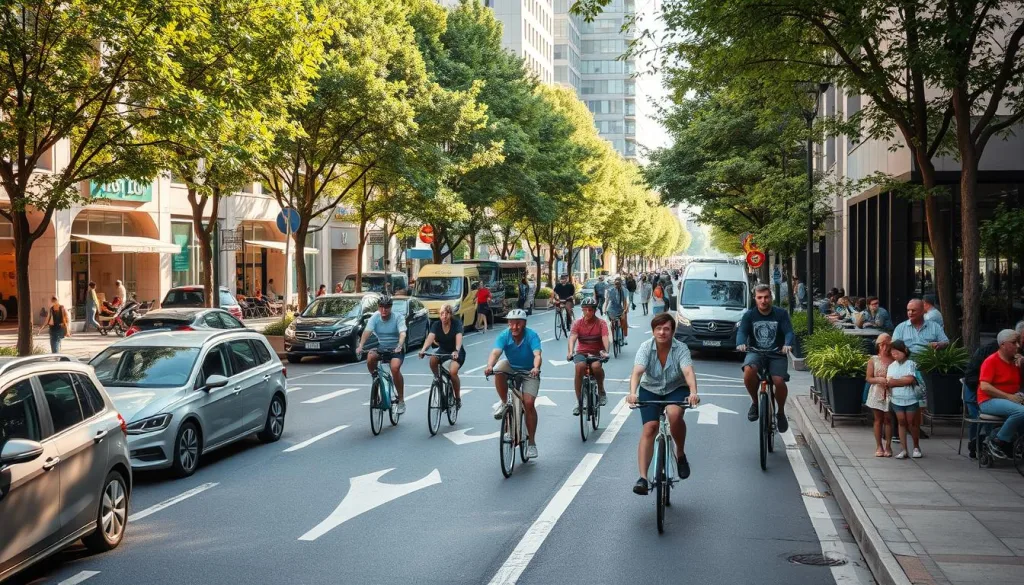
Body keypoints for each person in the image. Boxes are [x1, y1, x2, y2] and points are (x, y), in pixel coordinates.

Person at [627, 312, 701, 494]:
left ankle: (680, 454)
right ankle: (643, 478)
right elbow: (637, 372)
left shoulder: (681, 348)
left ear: (673, 331)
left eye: (666, 329)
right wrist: (632, 393)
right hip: (650, 388)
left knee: (674, 414)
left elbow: (689, 372)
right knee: (650, 427)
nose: (662, 332)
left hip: (676, 388)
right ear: (653, 331)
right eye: (658, 329)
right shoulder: (645, 347)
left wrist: (693, 393)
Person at [484, 309, 542, 459]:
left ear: (524, 324)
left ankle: (531, 443)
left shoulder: (531, 336)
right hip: (512, 367)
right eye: (511, 323)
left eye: (518, 324)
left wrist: (536, 368)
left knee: (528, 403)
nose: (514, 327)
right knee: (498, 369)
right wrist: (490, 365)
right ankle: (505, 403)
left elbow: (537, 355)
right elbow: (496, 352)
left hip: (530, 371)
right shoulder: (505, 335)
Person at [736, 284, 795, 433]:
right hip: (756, 352)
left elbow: (789, 332)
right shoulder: (749, 315)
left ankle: (780, 412)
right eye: (760, 297)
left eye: (766, 297)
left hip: (776, 353)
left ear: (771, 298)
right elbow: (742, 331)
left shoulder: (781, 313)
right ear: (755, 299)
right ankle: (755, 403)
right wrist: (741, 343)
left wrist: (787, 344)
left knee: (779, 381)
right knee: (748, 370)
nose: (763, 301)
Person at [962, 321, 1024, 458]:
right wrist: (1009, 396)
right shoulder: (991, 360)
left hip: (1011, 397)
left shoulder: (1014, 361)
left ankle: (1010, 442)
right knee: (1021, 412)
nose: (1018, 346)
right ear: (1003, 344)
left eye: (1018, 342)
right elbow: (984, 386)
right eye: (1014, 343)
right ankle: (999, 440)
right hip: (989, 400)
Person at [355, 295, 407, 415]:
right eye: (381, 307)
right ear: (378, 307)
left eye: (387, 307)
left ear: (391, 307)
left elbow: (402, 333)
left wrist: (399, 345)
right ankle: (376, 379)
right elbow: (367, 331)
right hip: (382, 347)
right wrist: (361, 346)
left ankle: (401, 400)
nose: (384, 310)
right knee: (370, 356)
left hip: (396, 349)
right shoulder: (375, 317)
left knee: (394, 368)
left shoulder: (397, 317)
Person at [567, 297, 610, 414]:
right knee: (579, 367)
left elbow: (605, 338)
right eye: (585, 310)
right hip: (582, 352)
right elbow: (572, 338)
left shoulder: (601, 323)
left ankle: (601, 390)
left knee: (596, 367)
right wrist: (570, 352)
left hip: (597, 353)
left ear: (595, 310)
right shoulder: (578, 323)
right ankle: (579, 401)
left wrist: (606, 351)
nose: (587, 312)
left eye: (590, 310)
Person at [418, 303, 465, 409]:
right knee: (433, 359)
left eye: (447, 313)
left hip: (456, 352)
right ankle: (438, 379)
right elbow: (430, 338)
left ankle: (457, 398)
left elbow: (459, 338)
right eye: (442, 313)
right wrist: (423, 350)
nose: (444, 316)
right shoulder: (436, 325)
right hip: (442, 351)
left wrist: (456, 350)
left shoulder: (456, 324)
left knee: (453, 372)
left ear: (451, 314)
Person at [887, 339, 923, 459]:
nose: (895, 355)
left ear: (904, 351)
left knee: (911, 423)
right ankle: (904, 449)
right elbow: (889, 382)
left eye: (897, 352)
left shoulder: (910, 363)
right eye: (893, 353)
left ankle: (916, 446)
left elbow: (909, 379)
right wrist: (901, 381)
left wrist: (896, 382)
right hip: (896, 398)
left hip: (910, 398)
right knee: (901, 421)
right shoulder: (891, 366)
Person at [865, 334, 895, 457]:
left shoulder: (894, 359)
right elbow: (869, 378)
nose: (884, 347)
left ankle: (888, 445)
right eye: (882, 344)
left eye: (887, 344)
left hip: (890, 392)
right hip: (877, 392)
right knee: (878, 419)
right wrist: (879, 380)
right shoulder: (873, 360)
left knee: (888, 419)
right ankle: (879, 446)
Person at [605, 277, 629, 345]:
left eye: (618, 284)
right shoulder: (611, 290)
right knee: (612, 322)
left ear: (621, 284)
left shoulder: (624, 290)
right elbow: (607, 300)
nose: (617, 285)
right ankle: (614, 335)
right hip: (612, 308)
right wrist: (605, 309)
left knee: (624, 320)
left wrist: (625, 310)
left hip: (621, 308)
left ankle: (624, 337)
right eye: (616, 284)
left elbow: (625, 301)